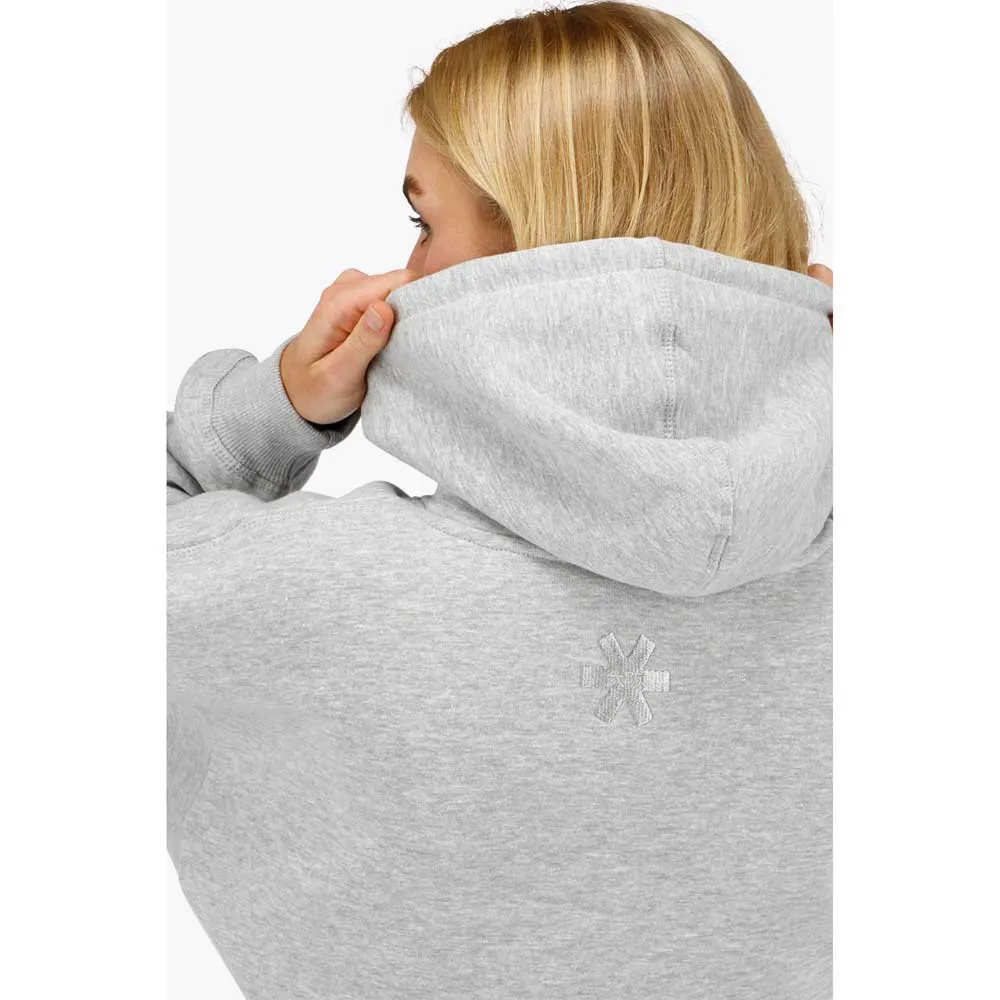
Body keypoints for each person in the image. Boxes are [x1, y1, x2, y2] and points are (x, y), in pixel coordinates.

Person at [167, 3, 834, 998]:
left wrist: (278, 408)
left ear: (529, 254)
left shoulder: (322, 589)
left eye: (422, 225)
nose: (403, 271)